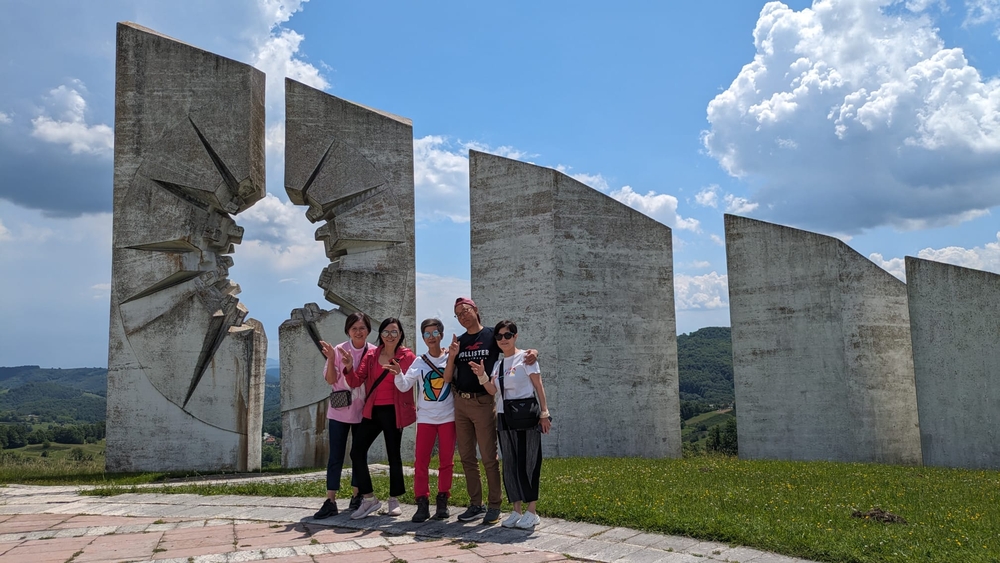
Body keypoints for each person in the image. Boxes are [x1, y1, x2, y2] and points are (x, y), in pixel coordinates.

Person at [444, 297, 536, 525]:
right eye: (458, 314)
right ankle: (476, 504)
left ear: (475, 309)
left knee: (488, 457)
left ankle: (495, 504)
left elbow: (512, 350)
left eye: (465, 311)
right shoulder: (459, 341)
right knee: (466, 457)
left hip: (484, 401)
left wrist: (534, 352)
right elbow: (448, 376)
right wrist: (452, 355)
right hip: (461, 402)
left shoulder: (491, 335)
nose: (463, 316)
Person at [472, 320, 551, 529]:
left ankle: (532, 511)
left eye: (508, 335)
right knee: (510, 463)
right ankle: (516, 510)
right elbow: (492, 390)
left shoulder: (526, 358)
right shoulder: (498, 365)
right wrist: (481, 376)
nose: (503, 339)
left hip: (526, 416)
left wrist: (545, 413)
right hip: (504, 416)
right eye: (499, 336)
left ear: (515, 336)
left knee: (529, 461)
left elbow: (538, 386)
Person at [343, 317, 416, 519]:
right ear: (380, 334)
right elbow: (356, 381)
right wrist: (348, 367)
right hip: (373, 410)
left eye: (394, 332)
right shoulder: (372, 355)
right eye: (385, 332)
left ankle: (394, 499)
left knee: (394, 454)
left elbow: (413, 380)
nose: (389, 336)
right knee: (357, 452)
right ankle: (369, 499)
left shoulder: (407, 356)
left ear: (400, 334)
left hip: (395, 410)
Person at [393, 318, 454, 522]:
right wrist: (398, 373)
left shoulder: (451, 358)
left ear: (441, 335)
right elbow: (404, 386)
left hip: (448, 417)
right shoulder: (419, 362)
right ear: (423, 338)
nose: (431, 337)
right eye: (427, 334)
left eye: (435, 333)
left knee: (446, 462)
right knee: (421, 462)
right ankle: (422, 502)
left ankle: (443, 500)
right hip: (426, 418)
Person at [313, 312, 371, 519]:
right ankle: (331, 500)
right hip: (339, 411)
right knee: (335, 456)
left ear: (368, 330)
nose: (358, 332)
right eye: (354, 328)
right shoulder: (338, 350)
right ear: (348, 330)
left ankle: (356, 495)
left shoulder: (373, 352)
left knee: (359, 455)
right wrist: (331, 359)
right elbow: (331, 380)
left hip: (363, 411)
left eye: (362, 328)